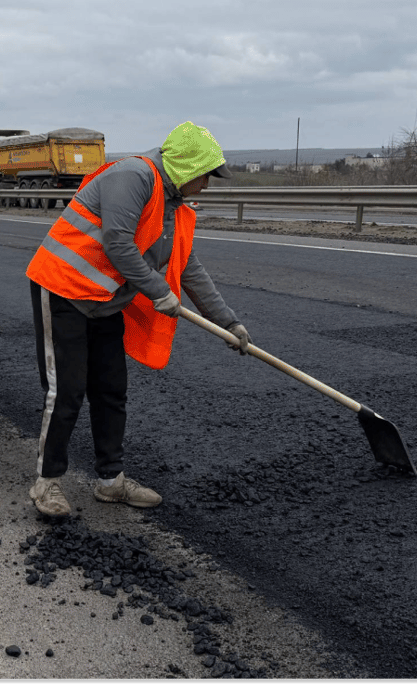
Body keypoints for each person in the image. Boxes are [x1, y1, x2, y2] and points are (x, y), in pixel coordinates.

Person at [23, 121, 253, 517]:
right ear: (186, 166)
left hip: (107, 302)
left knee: (111, 390)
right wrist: (158, 291)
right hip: (64, 290)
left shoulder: (175, 207)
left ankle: (111, 482)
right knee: (67, 391)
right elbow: (117, 243)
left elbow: (187, 268)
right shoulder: (133, 177)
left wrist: (229, 323)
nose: (208, 184)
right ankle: (47, 483)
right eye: (206, 175)